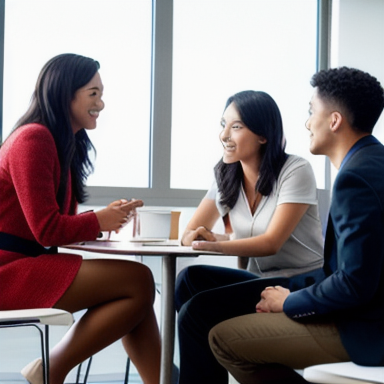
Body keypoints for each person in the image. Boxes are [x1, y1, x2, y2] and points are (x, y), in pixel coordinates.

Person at [208, 67, 384, 384]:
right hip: (361, 309)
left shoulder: (354, 178)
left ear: (334, 121)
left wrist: (289, 301)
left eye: (310, 112)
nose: (306, 123)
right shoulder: (374, 163)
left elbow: (355, 283)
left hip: (368, 329)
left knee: (222, 338)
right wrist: (290, 293)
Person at [0, 54, 161, 384]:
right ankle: (51, 368)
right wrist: (100, 220)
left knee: (139, 287)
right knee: (139, 281)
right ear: (66, 93)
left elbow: (58, 224)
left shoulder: (61, 142)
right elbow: (47, 230)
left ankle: (52, 369)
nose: (101, 103)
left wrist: (106, 219)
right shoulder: (33, 138)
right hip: (8, 272)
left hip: (25, 266)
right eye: (93, 93)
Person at [175, 90, 325, 384]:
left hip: (303, 280)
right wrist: (202, 235)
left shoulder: (294, 170)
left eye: (236, 126)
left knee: (197, 312)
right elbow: (188, 233)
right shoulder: (225, 176)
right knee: (188, 280)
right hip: (261, 280)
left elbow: (271, 243)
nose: (224, 135)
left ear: (263, 136)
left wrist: (216, 243)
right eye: (223, 125)